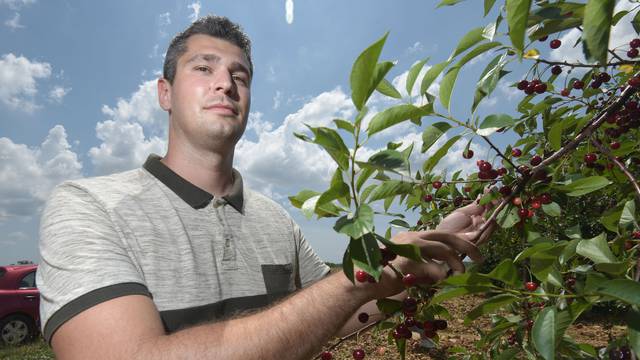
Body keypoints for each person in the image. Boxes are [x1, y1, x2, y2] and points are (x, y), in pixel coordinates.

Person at [37, 15, 494, 359]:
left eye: (240, 76)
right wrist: (354, 281)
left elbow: (333, 317)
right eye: (203, 68)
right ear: (165, 93)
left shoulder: (276, 220)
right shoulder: (87, 206)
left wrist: (423, 252)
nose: (226, 83)